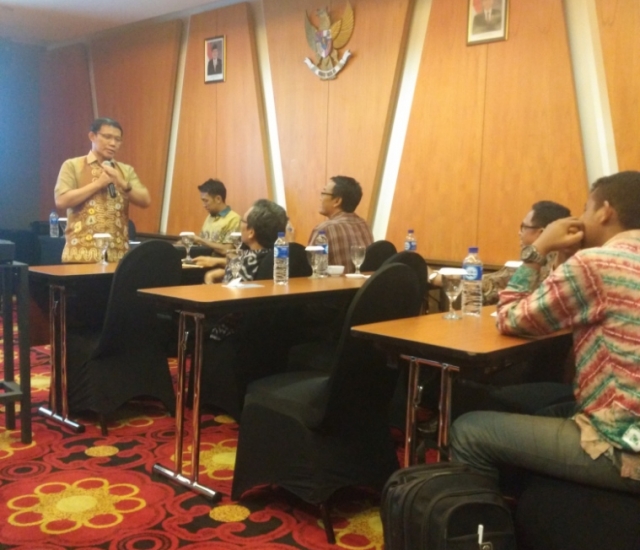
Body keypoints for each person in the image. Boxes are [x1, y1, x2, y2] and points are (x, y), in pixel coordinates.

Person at [450, 170, 640, 495]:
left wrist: (538, 249)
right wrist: (566, 256)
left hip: (623, 445)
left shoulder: (597, 263)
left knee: (469, 430)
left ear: (605, 211)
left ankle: (484, 525)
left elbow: (510, 318)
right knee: (546, 412)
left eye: (586, 209)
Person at [54, 117, 151, 263]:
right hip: (81, 255)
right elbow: (61, 201)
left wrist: (123, 183)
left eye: (118, 139)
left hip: (118, 256)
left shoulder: (125, 170)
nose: (113, 143)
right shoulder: (73, 165)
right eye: (107, 137)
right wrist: (98, 184)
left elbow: (145, 200)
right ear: (92, 136)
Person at [194, 198, 286, 285]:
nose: (239, 225)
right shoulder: (277, 255)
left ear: (251, 233)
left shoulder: (249, 262)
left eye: (242, 220)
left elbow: (228, 293)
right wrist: (224, 271)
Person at [308, 175, 373, 273]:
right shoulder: (364, 225)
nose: (320, 198)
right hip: (363, 283)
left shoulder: (324, 230)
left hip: (334, 283)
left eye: (323, 193)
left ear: (337, 201)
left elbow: (310, 271)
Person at [192, 178, 241, 256]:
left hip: (219, 262)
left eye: (206, 201)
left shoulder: (234, 219)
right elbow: (201, 243)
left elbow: (227, 250)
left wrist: (200, 240)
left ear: (218, 199)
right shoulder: (210, 217)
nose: (204, 205)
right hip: (202, 259)